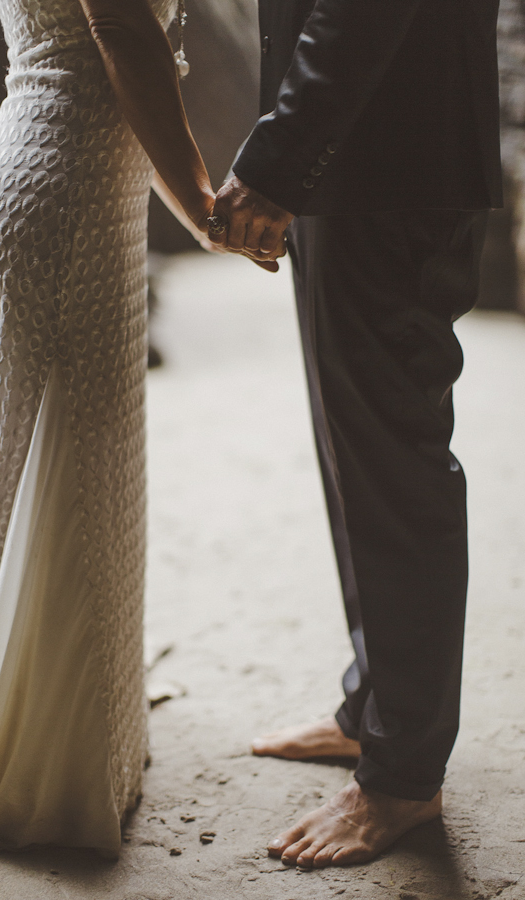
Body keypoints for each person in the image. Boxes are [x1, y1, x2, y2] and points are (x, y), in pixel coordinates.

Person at [0, 0, 281, 858]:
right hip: (66, 187)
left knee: (64, 473)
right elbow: (123, 37)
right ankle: (40, 770)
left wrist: (185, 201)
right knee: (58, 478)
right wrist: (203, 205)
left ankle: (74, 733)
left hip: (64, 176)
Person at [209, 0, 502, 869]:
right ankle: (374, 710)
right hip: (363, 158)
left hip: (390, 159)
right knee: (353, 450)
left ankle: (404, 775)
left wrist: (281, 156)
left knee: (392, 464)